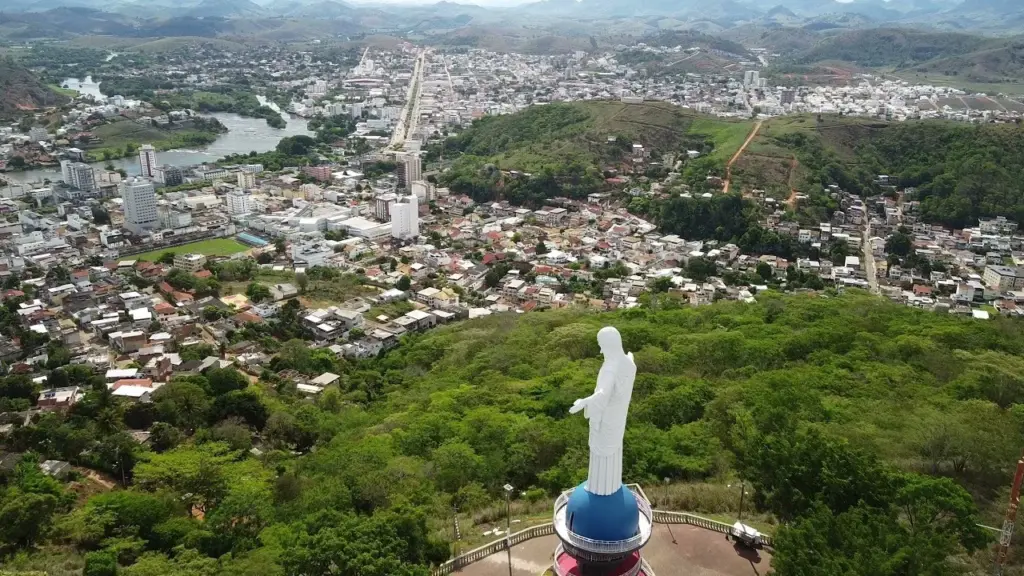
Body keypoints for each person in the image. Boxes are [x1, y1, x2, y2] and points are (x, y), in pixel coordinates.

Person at [569, 326, 636, 496]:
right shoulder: (627, 363)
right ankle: (611, 486)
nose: (600, 350)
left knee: (601, 455)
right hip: (619, 417)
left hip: (606, 419)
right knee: (613, 453)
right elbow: (630, 362)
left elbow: (602, 395)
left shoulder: (610, 368)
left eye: (602, 345)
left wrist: (584, 402)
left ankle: (599, 489)